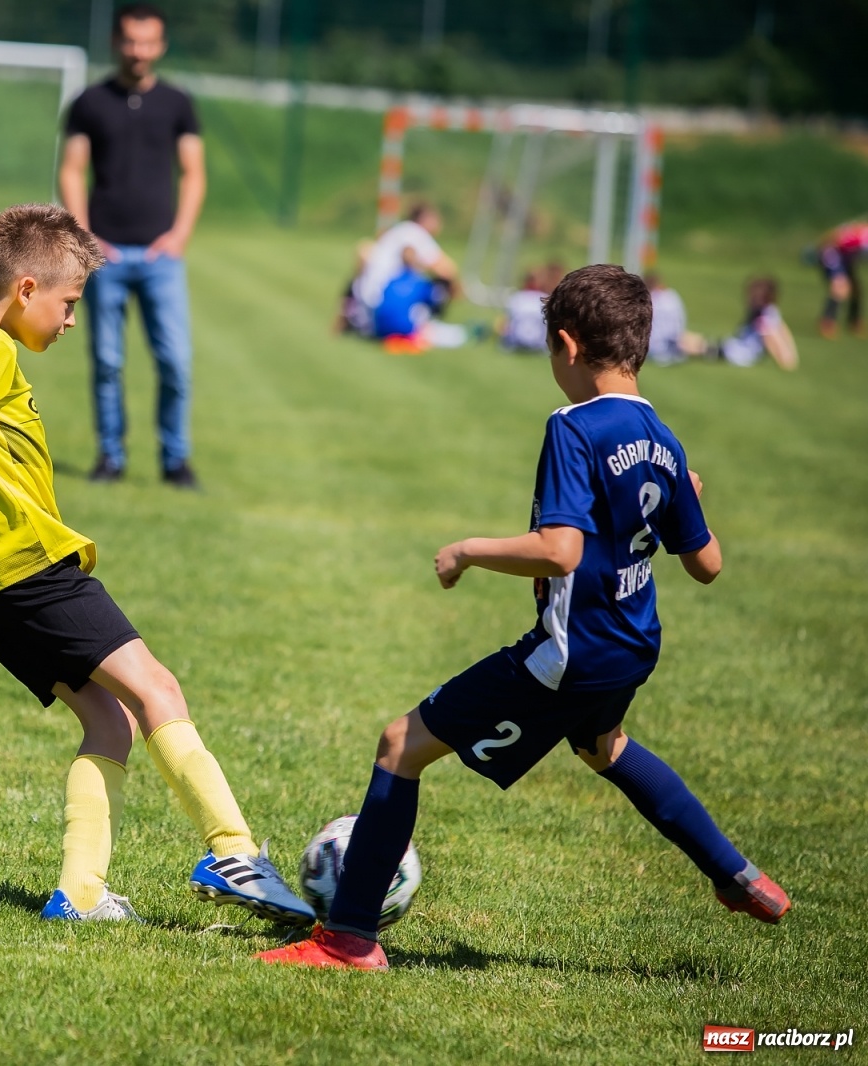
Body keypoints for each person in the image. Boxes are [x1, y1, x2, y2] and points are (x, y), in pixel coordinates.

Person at [258, 265, 789, 972]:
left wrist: (468, 550)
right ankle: (738, 875)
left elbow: (560, 550)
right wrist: (687, 500)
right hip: (633, 644)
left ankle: (348, 939)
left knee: (401, 744)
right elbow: (708, 564)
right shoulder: (663, 436)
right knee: (605, 747)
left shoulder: (573, 427)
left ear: (566, 345)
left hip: (572, 652)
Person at [0, 204, 315, 926]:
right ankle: (232, 849)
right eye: (68, 303)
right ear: (25, 289)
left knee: (111, 723)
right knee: (157, 688)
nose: (70, 321)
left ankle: (81, 892)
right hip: (30, 569)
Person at [58, 3, 205, 488]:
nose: (139, 51)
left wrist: (179, 234)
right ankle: (111, 458)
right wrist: (84, 238)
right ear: (117, 43)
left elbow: (194, 172)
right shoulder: (89, 102)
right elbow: (72, 169)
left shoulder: (177, 103)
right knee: (106, 362)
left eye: (148, 42)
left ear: (160, 45)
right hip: (106, 256)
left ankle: (175, 461)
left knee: (175, 362)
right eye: (130, 41)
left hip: (162, 257)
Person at [350, 203, 458, 338]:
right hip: (384, 298)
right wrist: (456, 289)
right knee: (436, 289)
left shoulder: (401, 230)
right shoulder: (416, 234)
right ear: (425, 219)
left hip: (368, 298)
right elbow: (447, 269)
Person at [717, 277, 798, 371]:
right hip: (738, 348)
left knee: (701, 346)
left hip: (740, 353)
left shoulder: (763, 317)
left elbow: (771, 338)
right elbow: (783, 330)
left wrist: (787, 358)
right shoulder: (771, 311)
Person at [814, 219, 868, 338]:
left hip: (847, 257)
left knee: (856, 289)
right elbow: (832, 238)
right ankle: (828, 321)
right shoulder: (863, 235)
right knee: (840, 287)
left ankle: (854, 321)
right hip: (832, 253)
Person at [645, 272, 706, 365]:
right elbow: (681, 320)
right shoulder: (672, 295)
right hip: (674, 341)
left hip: (654, 346)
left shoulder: (651, 299)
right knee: (693, 339)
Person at [499, 263, 561, 354]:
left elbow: (506, 324)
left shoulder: (516, 298)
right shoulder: (545, 300)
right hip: (538, 345)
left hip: (516, 343)